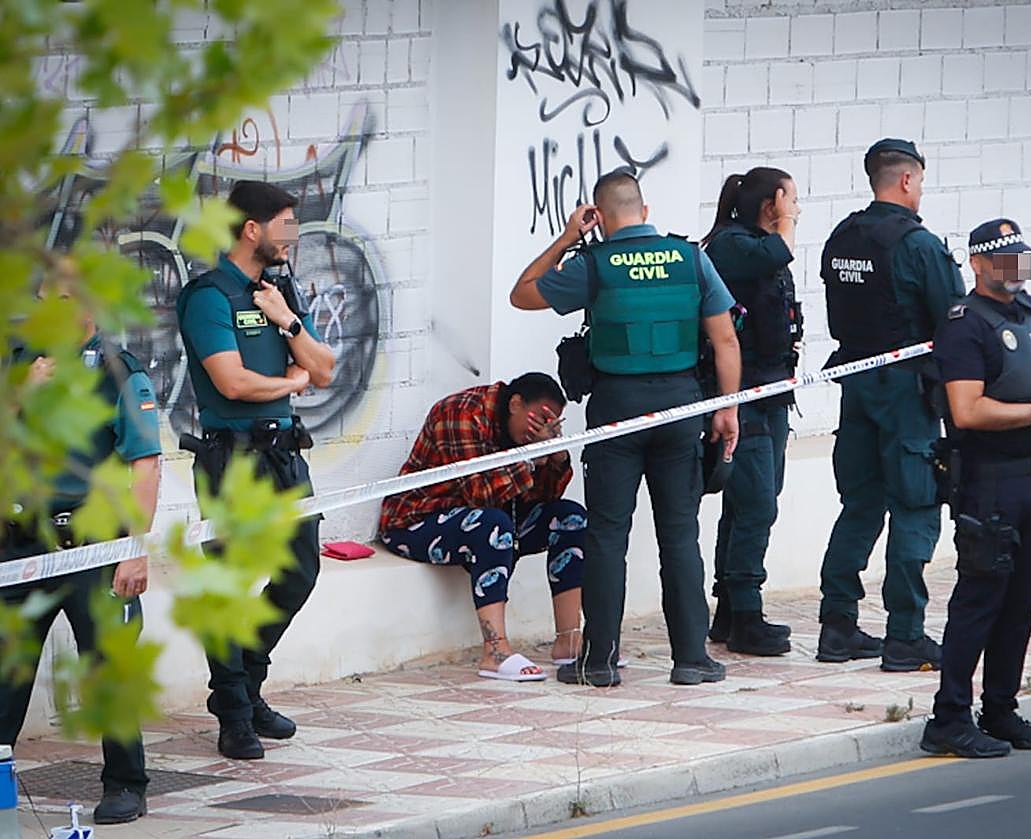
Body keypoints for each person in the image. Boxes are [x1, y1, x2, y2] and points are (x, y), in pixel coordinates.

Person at [510, 167, 741, 688]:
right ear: (645, 211)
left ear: (601, 218)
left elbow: (522, 294)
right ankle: (690, 659)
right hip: (683, 407)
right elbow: (725, 341)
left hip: (616, 409)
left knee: (608, 535)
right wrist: (727, 410)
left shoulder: (594, 263)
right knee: (680, 534)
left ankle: (598, 662)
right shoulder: (690, 257)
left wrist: (569, 236)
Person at [176, 180, 335, 760]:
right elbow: (232, 382)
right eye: (286, 224)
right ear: (253, 230)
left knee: (300, 570)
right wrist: (292, 379)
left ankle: (246, 679)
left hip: (285, 456)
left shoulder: (278, 289)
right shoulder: (208, 297)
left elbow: (325, 369)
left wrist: (288, 322)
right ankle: (235, 711)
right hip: (232, 459)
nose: (292, 236)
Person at [921, 218, 1031, 757]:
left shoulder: (1028, 310)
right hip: (988, 483)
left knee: (1022, 599)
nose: (1015, 269)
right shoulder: (966, 324)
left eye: (1020, 258)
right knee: (980, 600)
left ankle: (1001, 709)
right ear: (979, 264)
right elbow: (967, 410)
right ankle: (948, 718)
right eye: (1003, 259)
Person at [1, 295, 162, 824]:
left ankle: (125, 784)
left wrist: (134, 550)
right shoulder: (20, 363)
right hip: (25, 545)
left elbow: (145, 466)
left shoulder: (118, 371)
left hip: (95, 546)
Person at [816, 138, 966, 671]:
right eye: (920, 181)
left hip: (857, 385)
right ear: (906, 180)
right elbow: (954, 321)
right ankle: (905, 635)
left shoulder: (842, 237)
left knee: (859, 504)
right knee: (915, 506)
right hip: (906, 392)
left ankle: (836, 626)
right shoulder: (920, 245)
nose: (920, 191)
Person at [379, 373, 586, 682]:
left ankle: (569, 640)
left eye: (552, 423)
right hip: (418, 521)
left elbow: (545, 498)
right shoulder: (461, 413)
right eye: (539, 420)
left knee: (571, 518)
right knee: (493, 525)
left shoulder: (530, 436)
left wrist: (554, 456)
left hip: (489, 520)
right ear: (515, 404)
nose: (541, 429)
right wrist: (530, 460)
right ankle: (495, 651)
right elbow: (478, 495)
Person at [700, 167, 803, 657]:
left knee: (749, 503)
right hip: (743, 399)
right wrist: (785, 222)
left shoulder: (752, 244)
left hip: (771, 393)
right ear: (771, 205)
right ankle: (746, 615)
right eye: (791, 202)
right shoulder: (730, 245)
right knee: (757, 503)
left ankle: (729, 608)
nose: (796, 212)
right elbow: (777, 252)